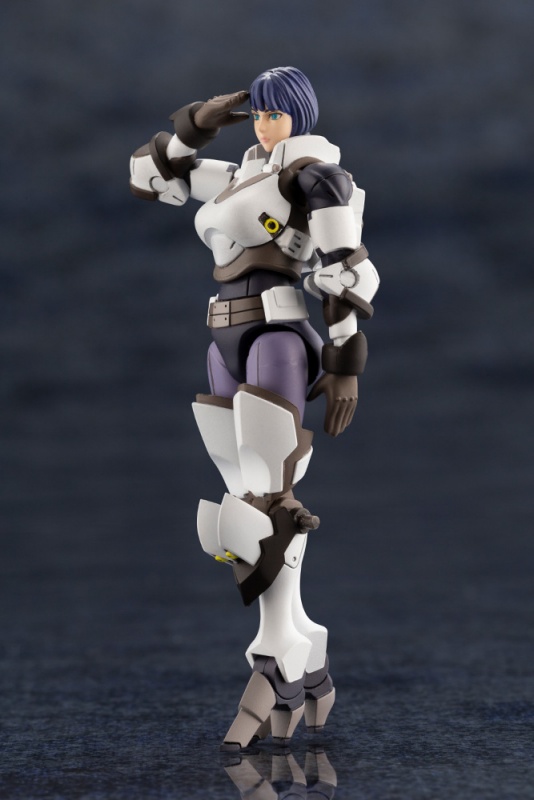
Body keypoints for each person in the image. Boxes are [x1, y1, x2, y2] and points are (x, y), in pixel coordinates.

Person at [130, 66, 379, 750]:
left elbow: (344, 268)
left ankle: (274, 655)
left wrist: (345, 361)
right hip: (223, 339)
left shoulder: (314, 177)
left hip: (276, 335)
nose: (265, 124)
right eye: (259, 113)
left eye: (276, 113)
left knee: (265, 502)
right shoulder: (239, 175)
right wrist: (200, 121)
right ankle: (303, 644)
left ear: (299, 116)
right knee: (239, 502)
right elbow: (150, 175)